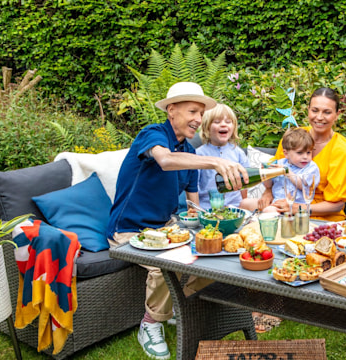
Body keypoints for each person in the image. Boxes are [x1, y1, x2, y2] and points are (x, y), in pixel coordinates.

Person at [105, 82, 248, 360]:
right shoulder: (153, 134)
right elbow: (166, 161)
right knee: (167, 265)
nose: (198, 118)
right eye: (193, 111)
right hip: (129, 230)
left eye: (201, 112)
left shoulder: (191, 154)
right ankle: (150, 323)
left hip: (168, 228)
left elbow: (193, 206)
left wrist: (207, 225)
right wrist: (214, 163)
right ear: (172, 110)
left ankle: (172, 308)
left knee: (212, 254)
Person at [255, 87, 346, 221]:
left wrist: (298, 208)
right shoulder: (293, 137)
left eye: (327, 112)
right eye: (315, 110)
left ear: (337, 114)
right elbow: (274, 172)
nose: (319, 117)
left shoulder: (343, 151)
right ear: (308, 109)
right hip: (284, 210)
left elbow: (337, 205)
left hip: (321, 219)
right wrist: (268, 192)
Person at [241, 127, 320, 213]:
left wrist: (286, 171)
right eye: (300, 153)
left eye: (308, 152)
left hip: (294, 207)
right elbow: (268, 186)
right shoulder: (280, 163)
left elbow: (302, 185)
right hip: (275, 202)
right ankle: (250, 224)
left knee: (269, 211)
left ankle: (264, 222)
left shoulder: (311, 167)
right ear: (286, 153)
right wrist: (266, 174)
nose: (305, 157)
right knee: (244, 203)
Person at [196, 103, 249, 209]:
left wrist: (244, 206)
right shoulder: (199, 155)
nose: (223, 124)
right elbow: (194, 187)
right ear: (207, 127)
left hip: (235, 207)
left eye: (228, 122)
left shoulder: (238, 153)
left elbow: (245, 183)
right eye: (217, 122)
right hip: (208, 208)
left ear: (233, 127)